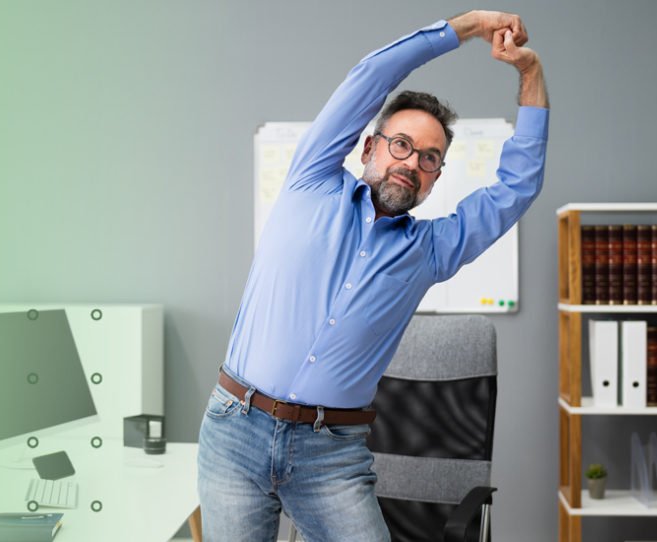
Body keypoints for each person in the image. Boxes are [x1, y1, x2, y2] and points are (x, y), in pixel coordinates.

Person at [198, 9, 548, 542]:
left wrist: (530, 71)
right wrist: (469, 26)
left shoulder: (430, 251)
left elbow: (516, 188)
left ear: (435, 179)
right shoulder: (311, 180)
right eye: (401, 144)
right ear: (369, 148)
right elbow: (372, 75)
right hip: (235, 432)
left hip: (329, 456)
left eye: (429, 158)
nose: (411, 163)